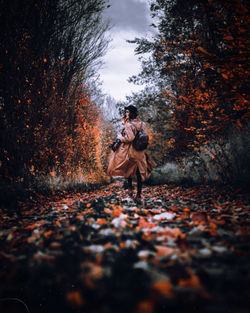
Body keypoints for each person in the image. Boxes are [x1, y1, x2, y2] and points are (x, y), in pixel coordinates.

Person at [107, 105, 156, 204]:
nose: (126, 114)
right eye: (126, 112)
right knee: (138, 172)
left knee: (128, 168)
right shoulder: (143, 124)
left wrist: (120, 137)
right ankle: (138, 194)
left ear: (132, 113)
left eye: (128, 112)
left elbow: (130, 138)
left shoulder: (129, 125)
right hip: (140, 151)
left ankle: (130, 189)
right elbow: (145, 136)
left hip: (131, 151)